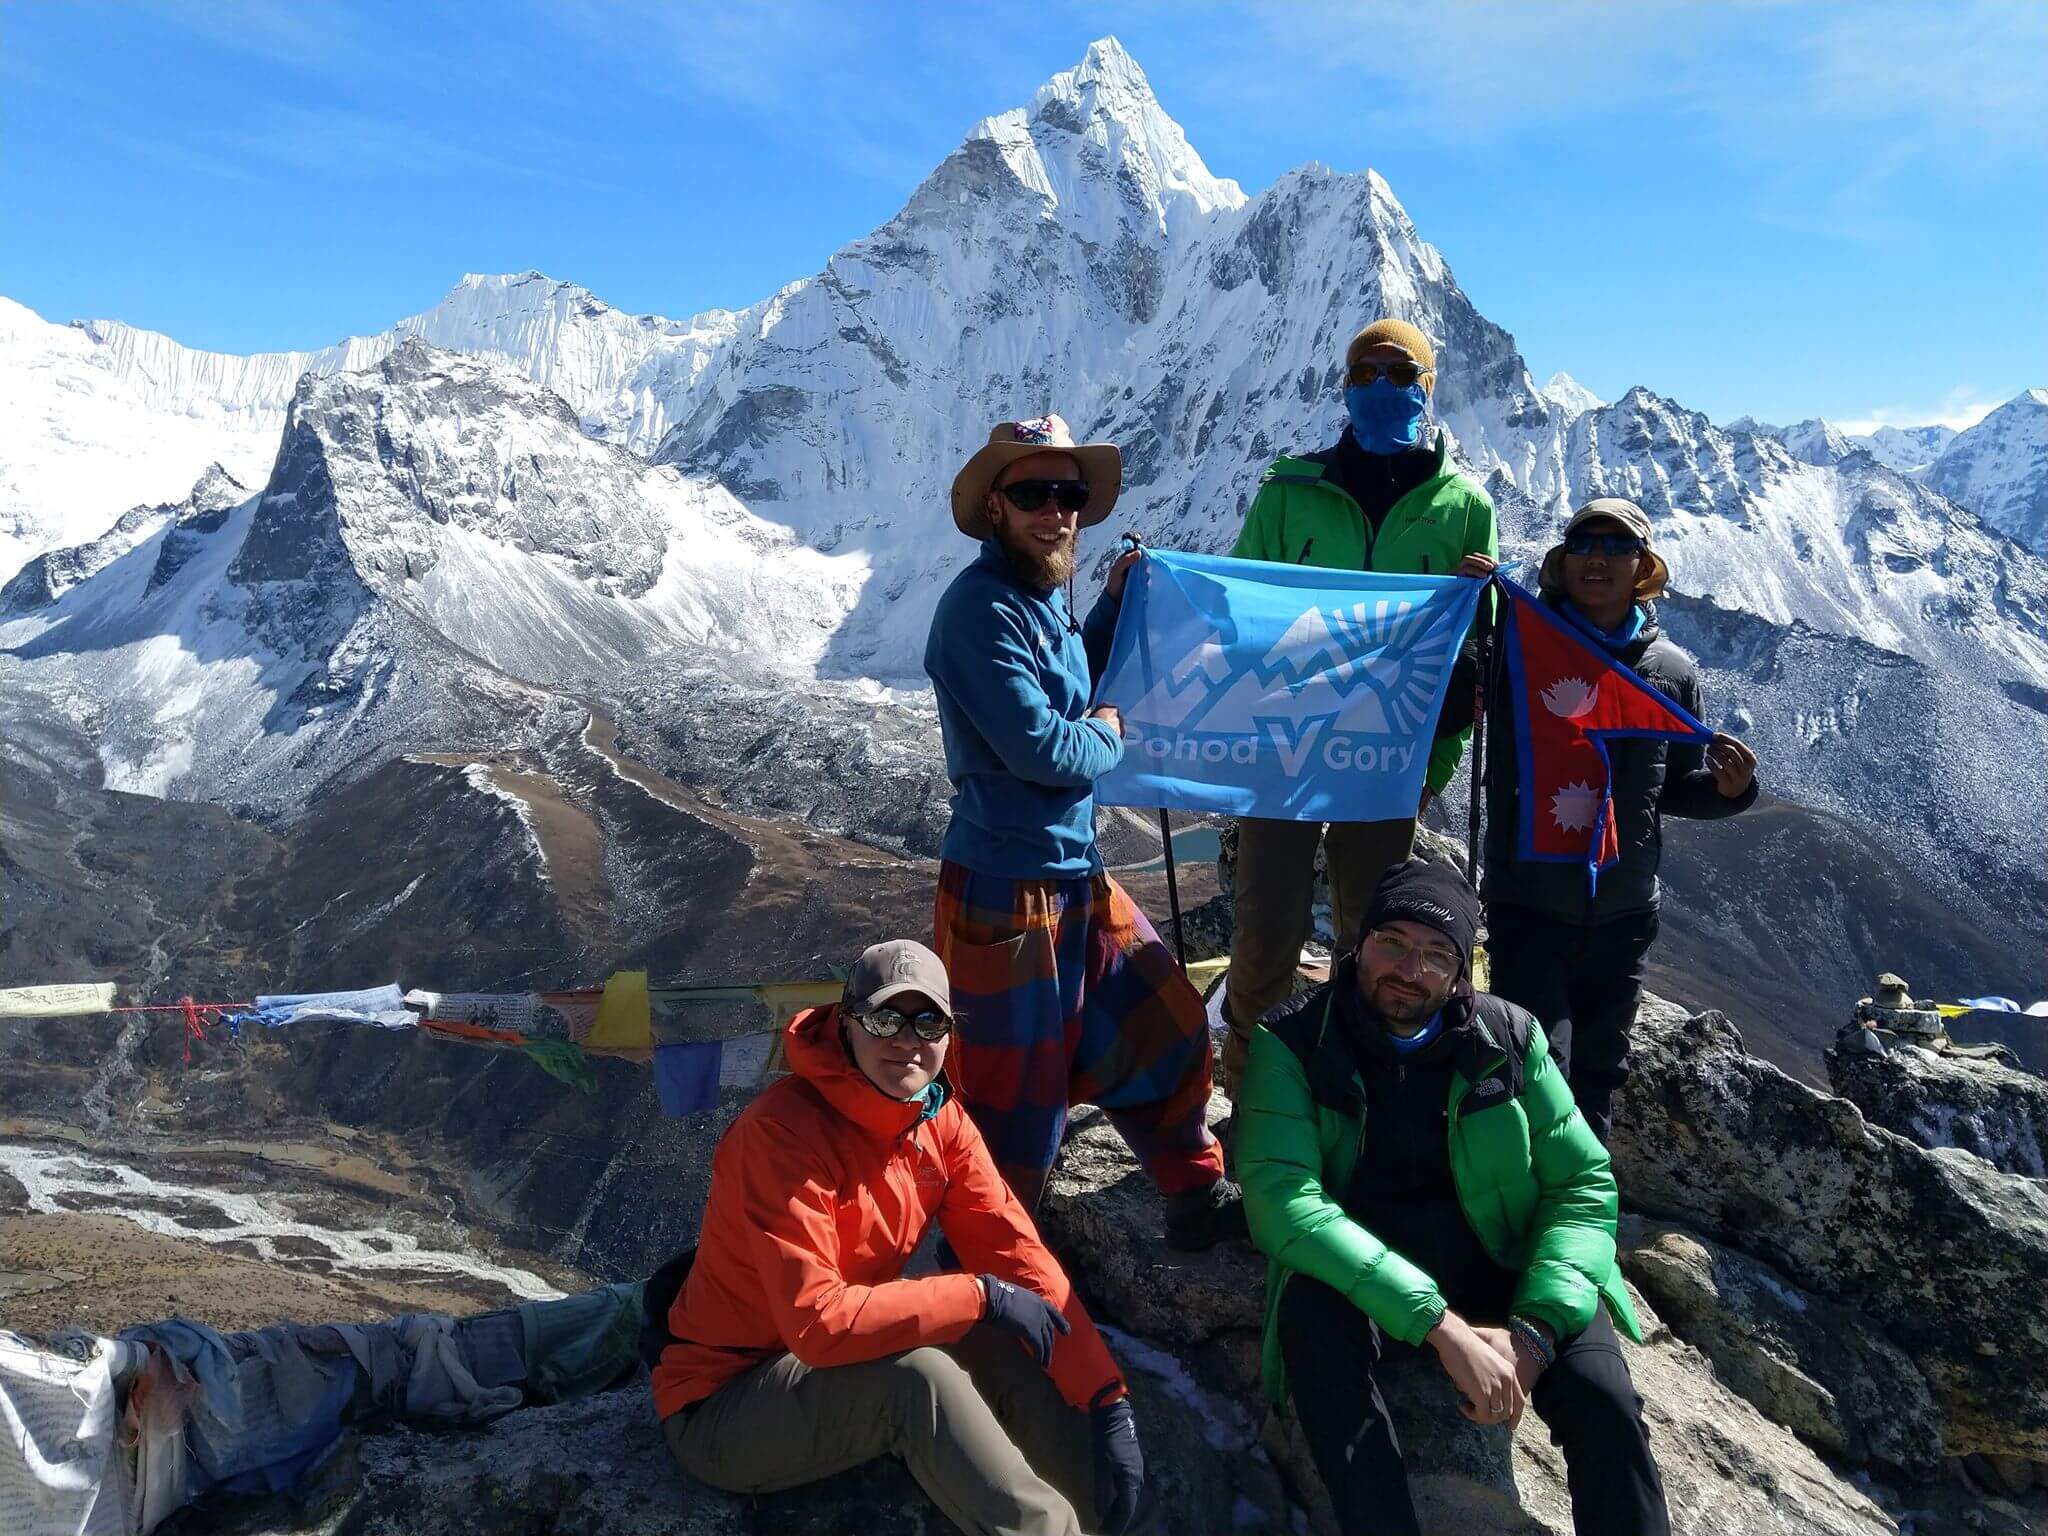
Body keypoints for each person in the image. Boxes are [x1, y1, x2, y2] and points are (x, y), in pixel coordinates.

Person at [653, 940, 1148, 1536]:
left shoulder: (940, 1122)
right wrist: (981, 1297)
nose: (906, 1041)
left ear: (949, 1031)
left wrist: (1103, 1399)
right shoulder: (780, 1137)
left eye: (929, 1021)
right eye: (886, 1018)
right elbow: (818, 1322)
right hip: (722, 1405)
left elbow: (1016, 1258)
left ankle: (1106, 1519)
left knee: (1006, 1342)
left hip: (831, 1362)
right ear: (846, 1024)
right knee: (920, 1379)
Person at [1236, 859, 1669, 1536]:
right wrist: (1441, 1328)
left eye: (1438, 955)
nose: (1410, 970)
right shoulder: (1294, 1041)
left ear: (1462, 972)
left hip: (1503, 1265)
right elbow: (1283, 1202)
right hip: (1365, 1278)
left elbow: (1581, 1185)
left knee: (1603, 1400)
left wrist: (1532, 1336)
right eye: (1393, 943)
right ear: (1360, 943)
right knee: (1315, 1337)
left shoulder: (1510, 1038)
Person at [924, 415, 1243, 1250]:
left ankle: (1192, 1191)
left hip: (1074, 876)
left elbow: (1071, 680)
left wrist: (1105, 606)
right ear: (996, 505)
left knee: (1165, 1023)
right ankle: (991, 1272)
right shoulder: (977, 612)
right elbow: (1044, 748)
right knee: (1013, 1102)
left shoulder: (1035, 600)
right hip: (1004, 893)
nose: (1056, 512)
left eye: (1068, 495)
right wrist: (1109, 730)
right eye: (1034, 494)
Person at [1219, 318, 1499, 1102]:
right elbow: (1239, 613)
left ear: (1428, 386)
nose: (1381, 386)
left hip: (1387, 762)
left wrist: (1429, 773)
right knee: (1265, 934)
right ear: (1344, 384)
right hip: (1286, 751)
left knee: (1370, 939)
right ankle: (1253, 1105)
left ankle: (1353, 1104)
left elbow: (1474, 661)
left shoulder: (1466, 507)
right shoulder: (1288, 492)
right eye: (1365, 372)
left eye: (1398, 371)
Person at [1473, 497, 1758, 1141]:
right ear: (1561, 563)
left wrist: (1730, 792)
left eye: (1616, 547)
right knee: (1535, 1065)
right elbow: (1452, 696)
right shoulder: (1514, 645)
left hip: (1623, 911)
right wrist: (1465, 611)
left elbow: (1672, 788)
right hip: (1529, 902)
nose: (1596, 558)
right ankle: (1525, 1206)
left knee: (1599, 1068)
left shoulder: (1671, 671)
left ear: (1642, 568)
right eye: (1583, 546)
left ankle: (1583, 1209)